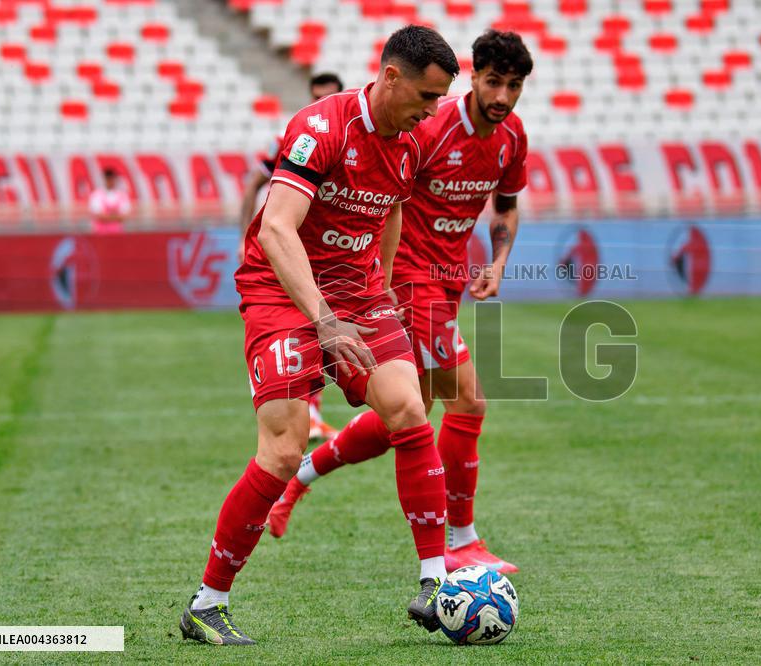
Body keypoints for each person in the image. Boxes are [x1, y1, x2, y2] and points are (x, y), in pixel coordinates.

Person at [179, 26, 459, 645]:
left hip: (357, 292)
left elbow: (390, 211)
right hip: (280, 289)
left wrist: (380, 291)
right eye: (426, 95)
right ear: (390, 77)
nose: (432, 110)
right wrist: (326, 323)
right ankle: (206, 604)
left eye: (440, 100)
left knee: (409, 411)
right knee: (281, 449)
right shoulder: (320, 129)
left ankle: (437, 585)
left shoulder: (411, 143)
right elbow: (277, 230)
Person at [267, 30, 532, 575]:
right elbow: (391, 203)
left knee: (409, 417)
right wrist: (384, 285)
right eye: (493, 82)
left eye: (514, 86)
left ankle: (300, 479)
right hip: (411, 283)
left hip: (448, 282)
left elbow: (505, 206)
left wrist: (498, 263)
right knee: (469, 401)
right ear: (474, 78)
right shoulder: (429, 128)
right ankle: (460, 541)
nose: (502, 96)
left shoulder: (511, 137)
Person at [238, 73, 346, 442]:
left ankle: (311, 413)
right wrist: (244, 237)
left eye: (326, 96)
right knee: (302, 326)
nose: (319, 101)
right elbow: (254, 183)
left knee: (323, 330)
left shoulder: (350, 138)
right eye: (314, 95)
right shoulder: (294, 137)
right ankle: (295, 411)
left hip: (328, 254)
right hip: (285, 248)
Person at [88, 168, 131, 234]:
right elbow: (98, 215)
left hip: (118, 234)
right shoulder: (96, 195)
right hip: (100, 234)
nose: (110, 181)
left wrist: (106, 216)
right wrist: (115, 216)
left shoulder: (122, 195)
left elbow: (125, 216)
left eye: (112, 178)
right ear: (105, 179)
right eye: (108, 178)